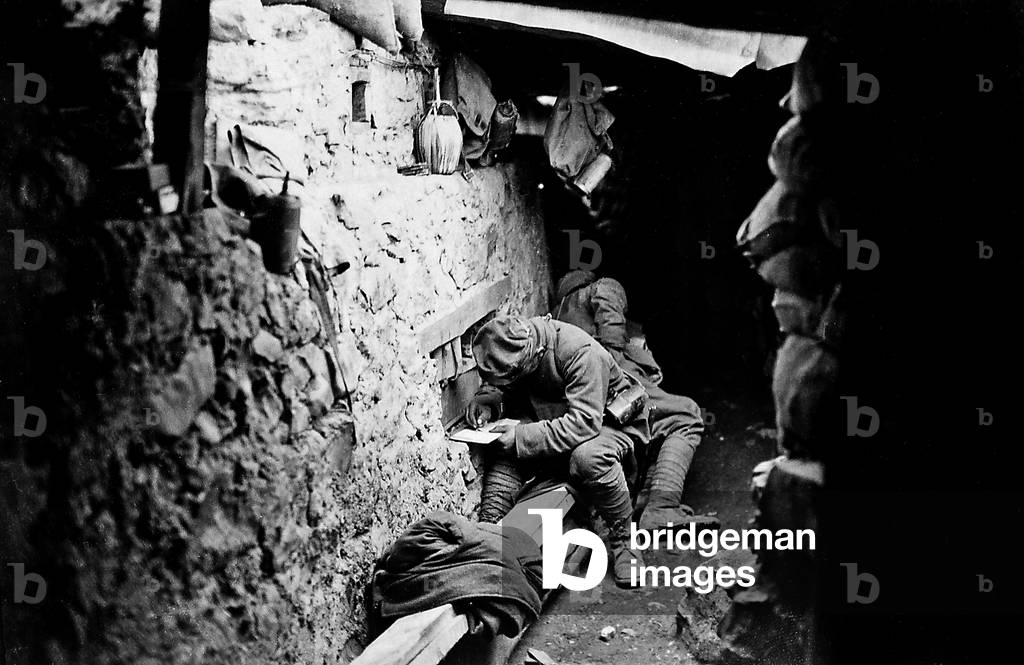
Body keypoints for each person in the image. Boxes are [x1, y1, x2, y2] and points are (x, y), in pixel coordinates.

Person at [467, 314, 648, 588]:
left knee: (588, 458)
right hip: (554, 417)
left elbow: (584, 424)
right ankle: (490, 532)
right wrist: (489, 397)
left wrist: (522, 436)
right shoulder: (516, 341)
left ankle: (625, 542)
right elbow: (499, 376)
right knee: (504, 449)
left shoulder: (580, 352)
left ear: (531, 356)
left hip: (607, 423)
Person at [552, 270, 713, 533]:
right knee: (685, 416)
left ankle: (647, 501)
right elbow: (608, 301)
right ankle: (662, 508)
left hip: (583, 398)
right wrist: (613, 359)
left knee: (651, 425)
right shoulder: (596, 289)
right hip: (613, 383)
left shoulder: (555, 319)